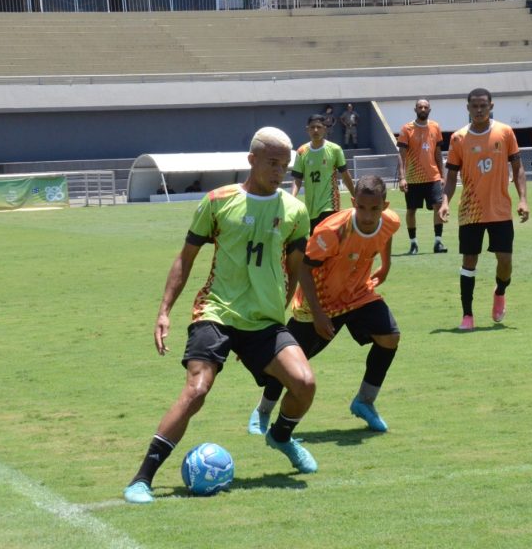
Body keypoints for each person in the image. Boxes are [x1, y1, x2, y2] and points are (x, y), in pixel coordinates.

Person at [123, 127, 318, 505]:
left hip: (264, 321)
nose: (280, 171)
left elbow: (296, 266)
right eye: (272, 162)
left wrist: (279, 304)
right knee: (196, 390)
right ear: (252, 160)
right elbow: (186, 258)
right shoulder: (217, 201)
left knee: (305, 383)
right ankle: (142, 478)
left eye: (285, 165)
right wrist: (164, 311)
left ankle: (281, 435)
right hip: (216, 312)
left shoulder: (295, 210)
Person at [247, 175, 401, 434]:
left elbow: (385, 236)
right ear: (353, 202)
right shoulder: (332, 232)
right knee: (290, 361)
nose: (367, 215)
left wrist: (385, 265)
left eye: (374, 209)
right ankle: (263, 411)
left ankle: (365, 401)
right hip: (318, 301)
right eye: (361, 207)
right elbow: (305, 270)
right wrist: (318, 314)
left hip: (357, 293)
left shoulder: (390, 221)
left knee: (390, 337)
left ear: (384, 206)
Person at [442, 88, 529, 331]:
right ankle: (467, 315)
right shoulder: (458, 138)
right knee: (469, 260)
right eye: (474, 106)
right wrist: (445, 201)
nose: (479, 110)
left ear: (491, 106)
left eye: (483, 105)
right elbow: (450, 177)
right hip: (471, 210)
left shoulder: (505, 132)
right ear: (467, 108)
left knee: (505, 261)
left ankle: (500, 291)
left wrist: (523, 199)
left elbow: (518, 168)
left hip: (500, 209)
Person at [397, 98, 448, 255]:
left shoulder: (435, 127)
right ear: (415, 110)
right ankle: (413, 243)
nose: (423, 109)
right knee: (411, 210)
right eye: (420, 107)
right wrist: (402, 177)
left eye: (426, 107)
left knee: (438, 207)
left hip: (433, 176)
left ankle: (438, 242)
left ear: (430, 110)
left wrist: (442, 175)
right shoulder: (407, 129)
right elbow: (401, 156)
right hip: (413, 179)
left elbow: (438, 154)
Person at [292, 114, 356, 231]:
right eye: (312, 127)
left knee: (328, 240)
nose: (315, 130)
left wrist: (355, 196)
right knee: (315, 243)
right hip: (310, 208)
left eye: (319, 127)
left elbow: (345, 174)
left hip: (330, 205)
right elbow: (297, 179)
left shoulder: (335, 149)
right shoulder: (301, 151)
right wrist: (292, 198)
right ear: (307, 130)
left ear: (325, 129)